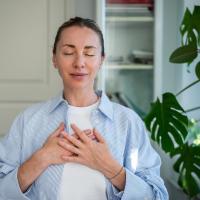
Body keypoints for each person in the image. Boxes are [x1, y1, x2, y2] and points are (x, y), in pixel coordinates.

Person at [0, 17, 168, 200]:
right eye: (68, 52)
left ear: (101, 60)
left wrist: (108, 166)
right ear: (54, 58)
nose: (79, 62)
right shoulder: (28, 121)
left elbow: (157, 196)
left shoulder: (128, 122)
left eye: (89, 53)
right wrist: (42, 158)